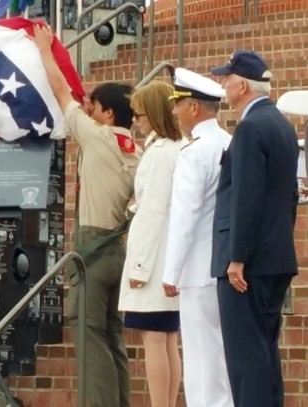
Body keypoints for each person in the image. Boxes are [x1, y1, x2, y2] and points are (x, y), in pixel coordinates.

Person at [32, 24, 140, 407]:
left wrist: (45, 47)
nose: (87, 111)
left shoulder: (99, 137)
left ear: (108, 114)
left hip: (93, 252)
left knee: (87, 333)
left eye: (94, 107)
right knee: (112, 337)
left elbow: (61, 90)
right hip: (117, 251)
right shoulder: (135, 150)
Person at [210, 49, 299, 407]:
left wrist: (238, 257)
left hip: (248, 265)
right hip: (275, 256)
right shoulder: (281, 124)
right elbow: (288, 196)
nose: (224, 83)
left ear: (243, 86)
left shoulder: (249, 128)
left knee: (246, 362)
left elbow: (246, 197)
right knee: (264, 355)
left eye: (228, 78)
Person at [161, 68, 234, 407]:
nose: (174, 112)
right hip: (225, 263)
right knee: (222, 355)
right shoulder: (230, 143)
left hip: (197, 270)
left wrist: (171, 271)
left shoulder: (195, 152)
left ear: (193, 107)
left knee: (201, 359)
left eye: (178, 104)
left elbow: (185, 217)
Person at [118, 80, 186, 407]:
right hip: (167, 255)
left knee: (155, 339)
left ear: (154, 114)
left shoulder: (160, 153)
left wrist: (140, 267)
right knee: (168, 338)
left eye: (139, 114)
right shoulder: (175, 147)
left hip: (155, 257)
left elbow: (153, 212)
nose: (135, 120)